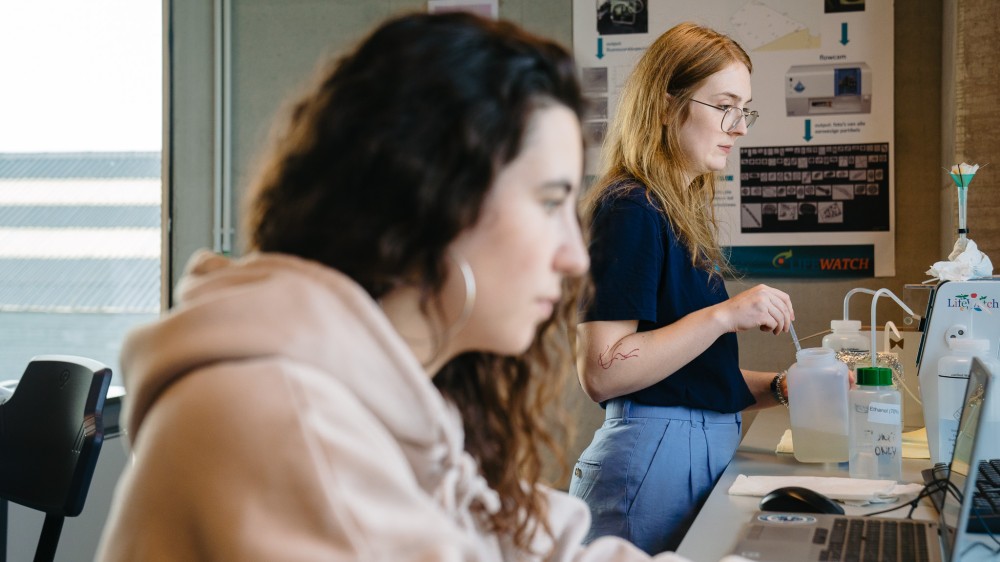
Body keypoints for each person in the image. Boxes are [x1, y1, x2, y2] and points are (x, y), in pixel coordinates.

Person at [95, 12, 752, 562]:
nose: (574, 254)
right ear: (439, 206)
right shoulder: (286, 421)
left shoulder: (396, 391)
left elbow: (522, 542)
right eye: (549, 202)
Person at [568, 22, 796, 554]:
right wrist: (724, 315)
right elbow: (603, 372)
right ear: (667, 105)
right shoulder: (629, 207)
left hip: (684, 450)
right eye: (724, 106)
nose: (739, 127)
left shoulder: (673, 212)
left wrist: (784, 387)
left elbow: (685, 380)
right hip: (651, 462)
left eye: (745, 109)